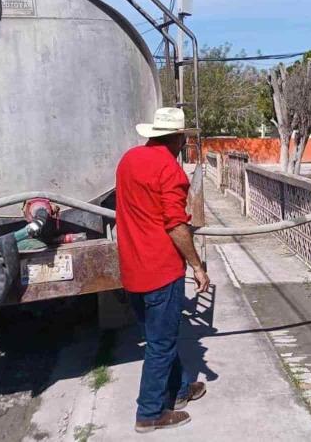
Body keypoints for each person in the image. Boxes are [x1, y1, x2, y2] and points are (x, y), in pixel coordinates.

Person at [115, 107, 211, 434]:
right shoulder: (170, 171)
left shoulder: (128, 160)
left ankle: (181, 390)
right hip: (160, 271)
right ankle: (150, 412)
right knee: (161, 344)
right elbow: (176, 226)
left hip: (132, 269)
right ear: (179, 139)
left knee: (158, 337)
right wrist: (197, 266)